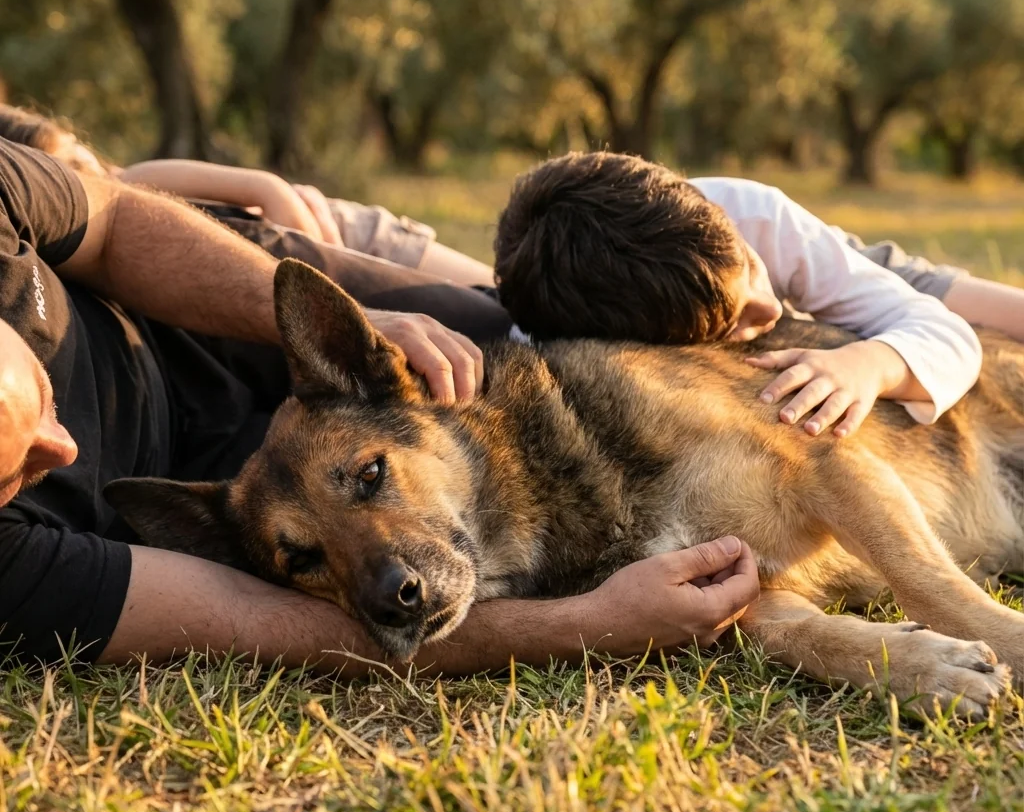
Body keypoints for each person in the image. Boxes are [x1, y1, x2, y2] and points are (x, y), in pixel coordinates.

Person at [0, 136, 759, 669]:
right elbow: (245, 618)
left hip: (220, 308)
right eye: (11, 473)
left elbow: (117, 220)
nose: (63, 450)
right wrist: (592, 624)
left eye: (32, 400)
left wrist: (362, 328)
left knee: (523, 322)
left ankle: (809, 318)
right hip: (227, 492)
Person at [495, 152, 1022, 438]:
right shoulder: (558, 333)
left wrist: (868, 365)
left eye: (747, 270)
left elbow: (947, 335)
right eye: (734, 323)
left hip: (849, 265)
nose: (767, 308)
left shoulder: (754, 215)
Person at [0, 103, 495, 287]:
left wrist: (335, 270)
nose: (87, 174)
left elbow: (267, 190)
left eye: (78, 159)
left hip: (350, 236)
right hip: (330, 255)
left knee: (500, 300)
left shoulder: (135, 181)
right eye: (70, 173)